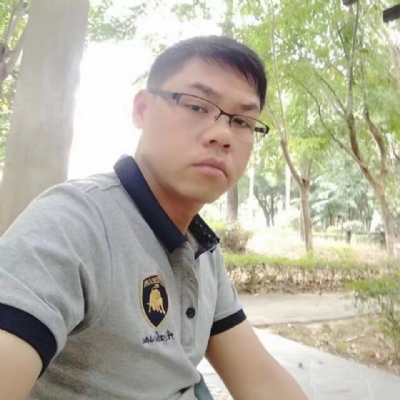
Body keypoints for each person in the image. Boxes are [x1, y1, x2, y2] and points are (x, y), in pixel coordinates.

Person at [0, 35, 308, 400]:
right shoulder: (73, 225)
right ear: (143, 109)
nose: (223, 135)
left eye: (242, 121)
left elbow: (260, 380)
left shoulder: (202, 251)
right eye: (197, 106)